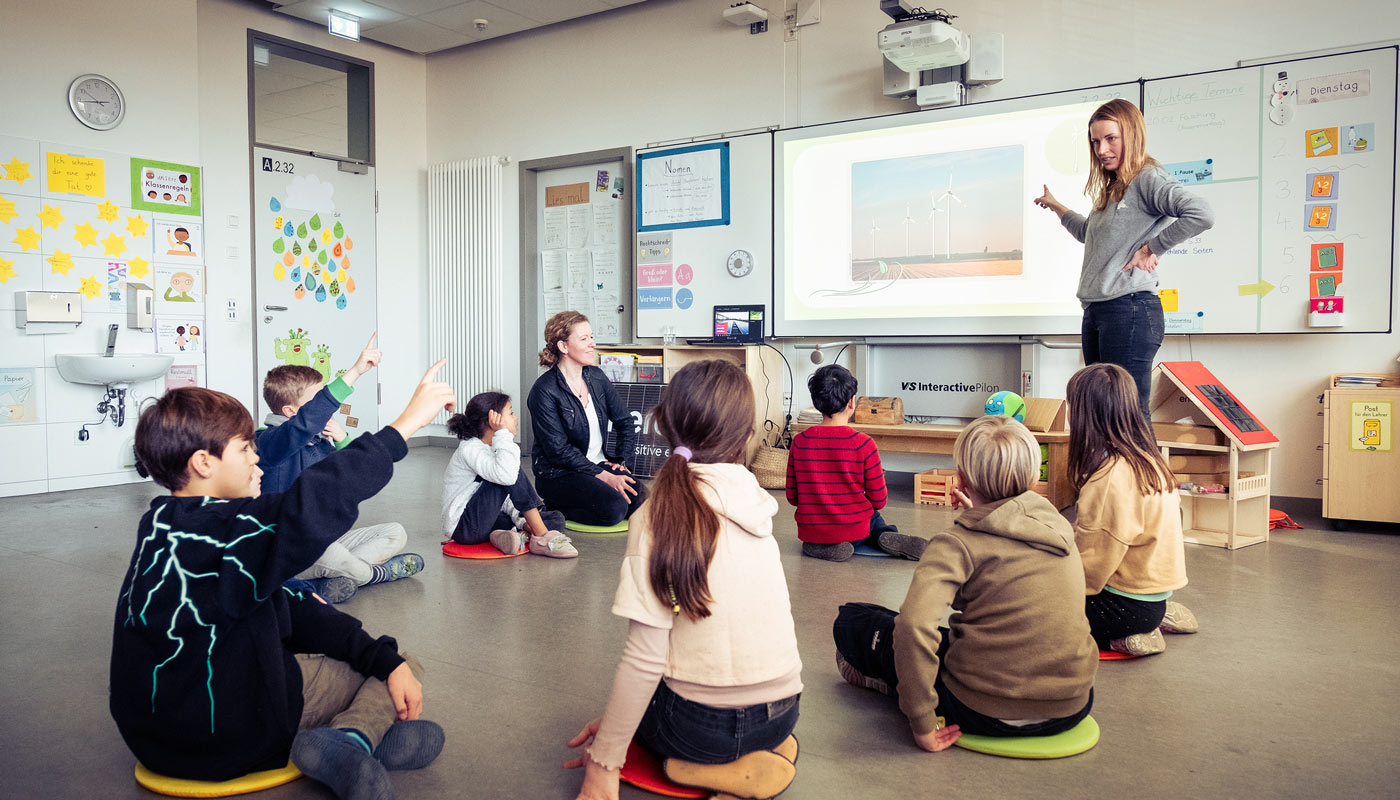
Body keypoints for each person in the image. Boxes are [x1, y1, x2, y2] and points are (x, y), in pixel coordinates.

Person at [111, 361, 455, 798]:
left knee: (314, 625)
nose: (257, 457)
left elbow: (286, 604)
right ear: (203, 462)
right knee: (401, 666)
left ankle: (367, 738)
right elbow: (318, 496)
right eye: (244, 450)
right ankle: (354, 737)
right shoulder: (242, 528)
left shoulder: (157, 523)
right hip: (233, 737)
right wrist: (405, 424)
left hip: (152, 739)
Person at [565, 360, 801, 800]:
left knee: (644, 697)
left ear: (664, 423)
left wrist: (604, 762)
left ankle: (696, 767)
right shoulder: (755, 499)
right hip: (784, 712)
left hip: (701, 729)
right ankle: (755, 752)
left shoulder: (658, 514)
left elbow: (644, 657)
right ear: (746, 433)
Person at [833, 415, 1097, 751]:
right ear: (1033, 478)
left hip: (981, 710)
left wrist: (922, 721)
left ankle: (892, 685)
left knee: (858, 620)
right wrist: (978, 515)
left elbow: (914, 626)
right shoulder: (1058, 526)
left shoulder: (956, 543)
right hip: (1071, 705)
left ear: (960, 481)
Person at [1033, 98, 1215, 415]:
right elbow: (1091, 232)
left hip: (1129, 309)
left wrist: (1152, 248)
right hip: (1098, 310)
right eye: (1095, 141)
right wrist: (1058, 208)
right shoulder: (1115, 187)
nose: (1102, 149)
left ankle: (1143, 468)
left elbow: (1202, 214)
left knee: (1127, 415)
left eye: (1110, 138)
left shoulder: (1147, 179)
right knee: (1102, 415)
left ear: (1131, 135)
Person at [257, 332, 422, 603]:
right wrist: (355, 372)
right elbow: (304, 423)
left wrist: (343, 439)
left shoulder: (319, 440)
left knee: (394, 532)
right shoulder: (269, 442)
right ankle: (373, 574)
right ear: (290, 411)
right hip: (286, 552)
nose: (326, 409)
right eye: (318, 399)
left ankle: (336, 578)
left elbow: (356, 474)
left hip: (320, 542)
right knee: (334, 557)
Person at [1066, 363, 1198, 656]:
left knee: (1036, 612)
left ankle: (1128, 637)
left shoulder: (1109, 479)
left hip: (1122, 608)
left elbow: (1092, 564)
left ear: (1083, 415)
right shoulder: (1149, 460)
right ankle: (1159, 616)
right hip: (1153, 594)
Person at [786, 364, 923, 562]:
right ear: (852, 403)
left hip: (815, 529)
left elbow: (792, 497)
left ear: (815, 403)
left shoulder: (799, 442)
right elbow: (879, 500)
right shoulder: (864, 444)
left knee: (813, 536)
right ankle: (882, 535)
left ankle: (822, 546)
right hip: (857, 529)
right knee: (873, 518)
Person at [527, 311, 646, 527]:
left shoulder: (596, 377)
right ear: (563, 347)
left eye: (591, 337)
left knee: (639, 498)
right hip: (559, 474)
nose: (592, 344)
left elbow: (625, 422)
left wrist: (620, 463)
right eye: (584, 339)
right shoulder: (543, 391)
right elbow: (558, 450)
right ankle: (553, 507)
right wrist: (603, 475)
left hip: (596, 465)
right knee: (614, 510)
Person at [442, 390, 577, 558]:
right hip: (465, 528)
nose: (515, 418)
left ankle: (513, 536)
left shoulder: (495, 448)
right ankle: (541, 536)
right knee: (510, 471)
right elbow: (507, 477)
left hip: (487, 523)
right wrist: (503, 434)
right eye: (511, 413)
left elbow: (508, 497)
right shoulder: (470, 449)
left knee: (556, 518)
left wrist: (522, 520)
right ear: (493, 421)